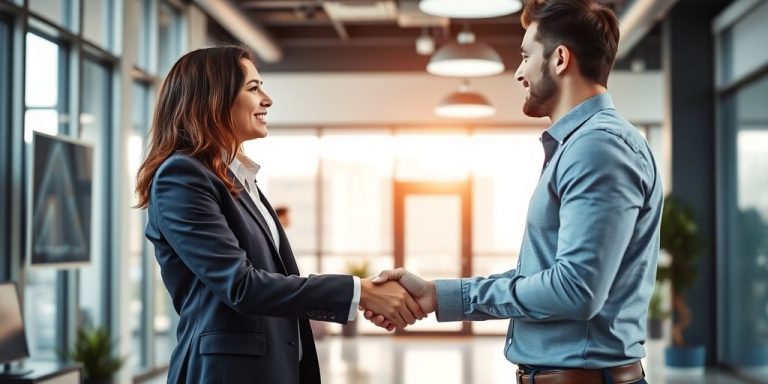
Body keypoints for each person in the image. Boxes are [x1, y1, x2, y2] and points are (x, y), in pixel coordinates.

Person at [366, 1, 662, 383]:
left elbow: (575, 289)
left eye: (525, 56)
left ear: (560, 59)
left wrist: (449, 297)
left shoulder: (597, 147)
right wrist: (438, 294)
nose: (519, 72)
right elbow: (548, 276)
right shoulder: (582, 145)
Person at [134, 46, 424, 384]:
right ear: (213, 98)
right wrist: (359, 291)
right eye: (253, 88)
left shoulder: (238, 178)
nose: (267, 100)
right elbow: (241, 285)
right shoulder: (181, 176)